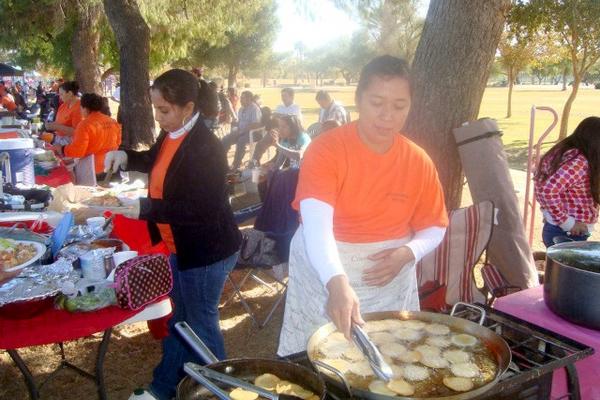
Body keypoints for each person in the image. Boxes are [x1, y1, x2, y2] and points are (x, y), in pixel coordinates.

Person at [277, 55, 449, 356]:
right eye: (377, 103)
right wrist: (336, 282)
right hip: (325, 270)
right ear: (358, 100)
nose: (387, 116)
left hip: (388, 274)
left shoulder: (418, 160)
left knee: (390, 359)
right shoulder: (326, 150)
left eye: (399, 106)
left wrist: (408, 252)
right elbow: (317, 227)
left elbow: (434, 225)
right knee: (317, 359)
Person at [103, 68, 241, 400]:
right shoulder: (173, 132)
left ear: (188, 107)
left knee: (200, 324)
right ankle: (164, 386)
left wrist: (145, 209)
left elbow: (200, 211)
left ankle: (229, 389)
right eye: (156, 109)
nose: (159, 117)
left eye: (164, 110)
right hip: (179, 245)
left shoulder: (206, 148)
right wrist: (126, 156)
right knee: (180, 318)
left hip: (207, 250)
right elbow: (154, 158)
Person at [534, 117, 600, 247]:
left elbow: (540, 185)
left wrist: (551, 214)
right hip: (568, 232)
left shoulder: (564, 153)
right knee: (566, 268)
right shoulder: (579, 162)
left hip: (562, 229)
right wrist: (567, 222)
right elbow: (548, 190)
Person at [53, 93, 121, 178]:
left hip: (94, 170)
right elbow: (118, 142)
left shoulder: (85, 124)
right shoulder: (112, 121)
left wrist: (62, 149)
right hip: (113, 166)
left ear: (85, 108)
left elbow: (78, 151)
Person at [221, 90, 262, 170]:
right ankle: (222, 162)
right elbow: (238, 122)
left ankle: (236, 164)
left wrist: (242, 131)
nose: (240, 100)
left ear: (249, 99)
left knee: (241, 140)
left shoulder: (254, 109)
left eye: (243, 98)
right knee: (225, 139)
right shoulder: (241, 109)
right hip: (241, 131)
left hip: (254, 133)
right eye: (241, 98)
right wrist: (235, 129)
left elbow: (256, 124)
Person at [44, 81, 82, 145]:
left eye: (61, 94)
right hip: (59, 138)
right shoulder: (64, 105)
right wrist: (50, 125)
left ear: (70, 93)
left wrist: (57, 127)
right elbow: (58, 122)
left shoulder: (80, 108)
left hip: (71, 143)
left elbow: (76, 132)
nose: (60, 97)